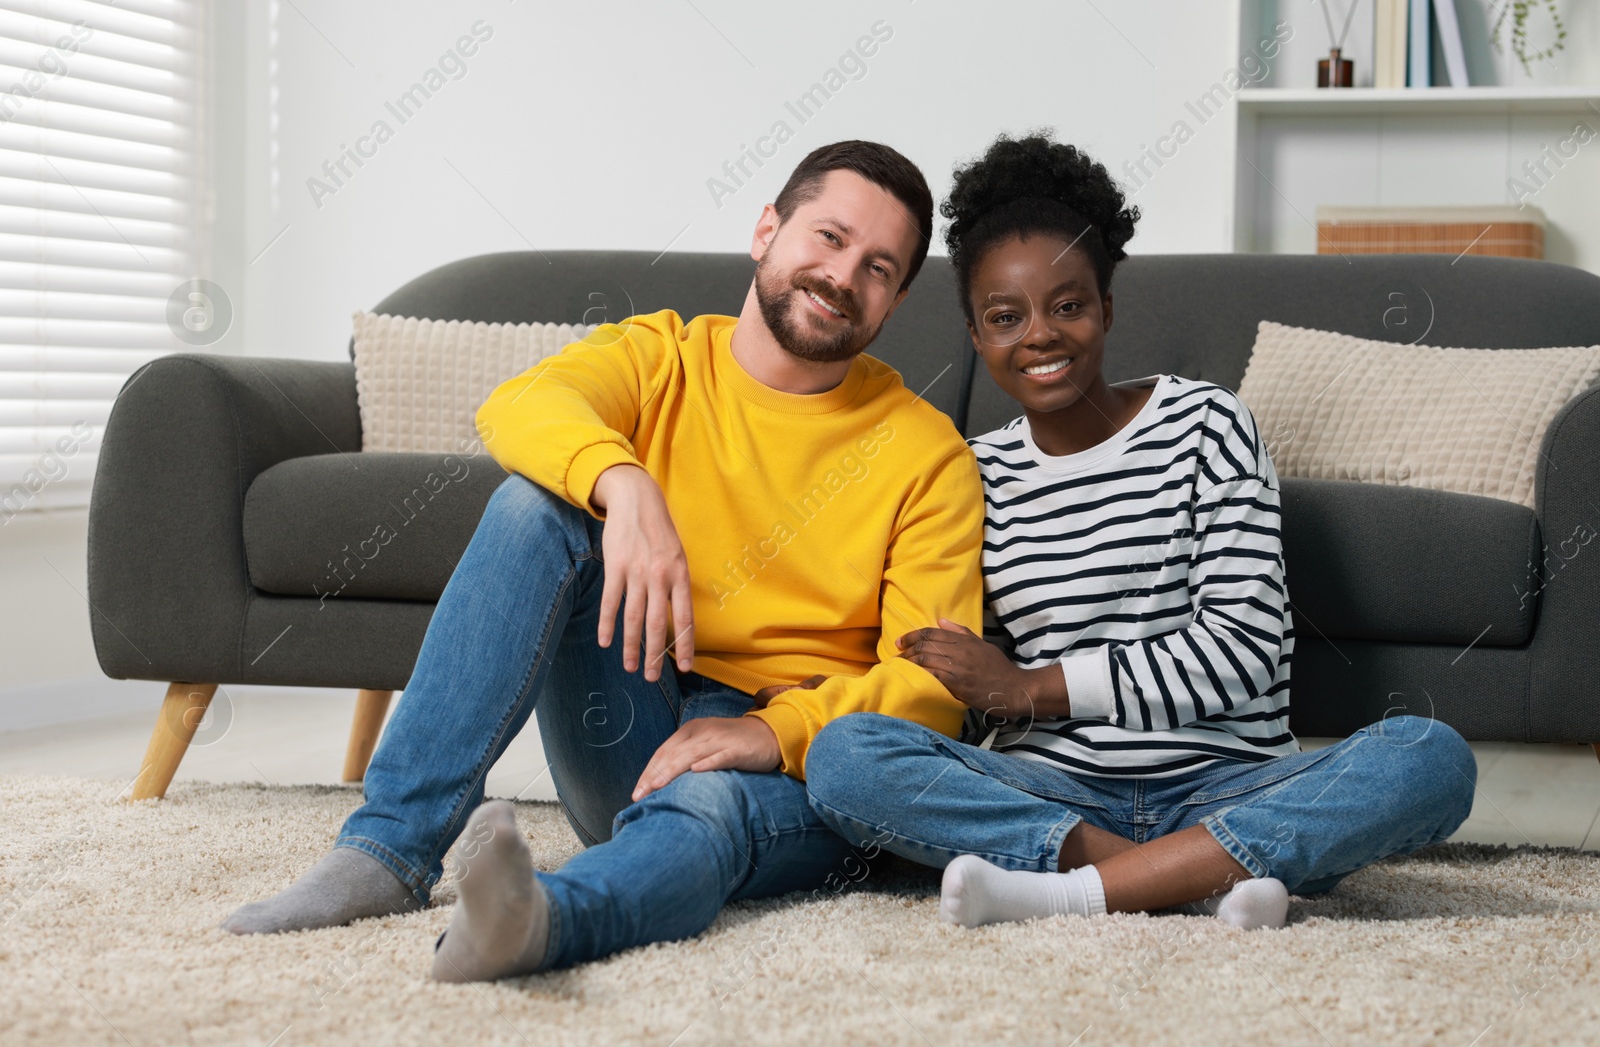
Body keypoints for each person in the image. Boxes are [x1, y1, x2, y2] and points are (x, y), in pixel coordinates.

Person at [221, 140, 985, 980]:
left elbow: (932, 691)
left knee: (709, 803)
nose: (844, 276)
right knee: (534, 503)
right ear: (767, 229)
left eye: (879, 266)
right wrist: (623, 485)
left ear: (899, 296)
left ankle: (540, 921)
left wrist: (772, 732)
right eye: (829, 237)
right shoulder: (661, 355)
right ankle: (386, 851)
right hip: (630, 722)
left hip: (791, 771)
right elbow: (520, 404)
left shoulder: (927, 452)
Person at [803, 132, 1477, 932]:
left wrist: (1031, 685)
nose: (1040, 335)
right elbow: (962, 679)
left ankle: (1072, 890)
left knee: (1430, 758)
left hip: (1229, 783)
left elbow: (1246, 648)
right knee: (845, 756)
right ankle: (1199, 875)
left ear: (1108, 308)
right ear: (978, 337)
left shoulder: (1207, 424)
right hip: (1053, 791)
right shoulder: (966, 471)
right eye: (1005, 317)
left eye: (1068, 305)